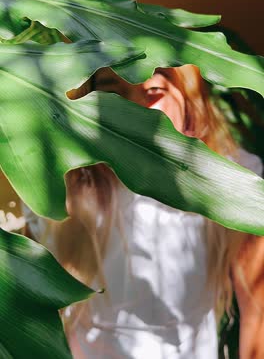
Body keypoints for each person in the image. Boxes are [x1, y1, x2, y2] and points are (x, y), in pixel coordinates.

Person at [23, 64, 263, 358]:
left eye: (153, 91)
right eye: (113, 91)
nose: (134, 107)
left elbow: (257, 309)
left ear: (187, 96)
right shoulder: (64, 178)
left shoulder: (232, 176)